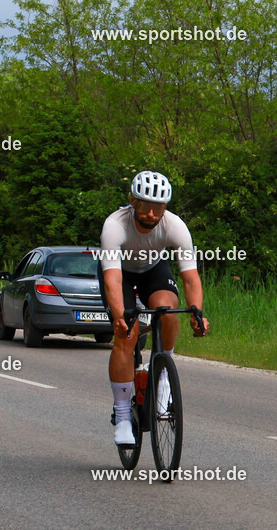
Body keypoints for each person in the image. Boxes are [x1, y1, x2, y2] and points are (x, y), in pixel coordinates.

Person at [98, 171, 210, 445]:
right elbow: (112, 278)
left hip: (152, 269)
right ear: (133, 202)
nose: (151, 213)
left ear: (166, 207)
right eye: (146, 205)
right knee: (126, 334)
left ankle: (161, 380)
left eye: (158, 207)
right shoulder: (115, 225)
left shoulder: (175, 226)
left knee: (167, 310)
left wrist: (197, 312)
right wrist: (118, 316)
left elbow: (190, 277)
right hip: (120, 272)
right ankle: (123, 416)